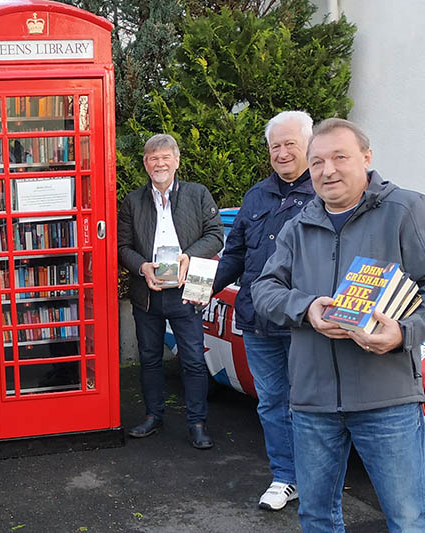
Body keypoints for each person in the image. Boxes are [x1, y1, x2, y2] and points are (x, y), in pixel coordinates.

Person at [253, 118, 425, 532]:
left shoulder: (406, 210)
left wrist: (404, 333)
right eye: (316, 162)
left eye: (339, 158)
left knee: (407, 519)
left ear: (366, 159)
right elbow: (264, 290)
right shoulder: (297, 226)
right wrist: (306, 307)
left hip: (386, 400)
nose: (327, 170)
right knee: (316, 517)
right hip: (313, 402)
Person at [212, 111, 316, 510]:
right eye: (276, 145)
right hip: (257, 321)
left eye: (291, 143)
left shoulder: (325, 194)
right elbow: (235, 252)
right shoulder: (256, 195)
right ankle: (286, 477)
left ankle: (317, 476)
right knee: (272, 403)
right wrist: (203, 289)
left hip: (305, 323)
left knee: (311, 404)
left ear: (309, 144)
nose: (283, 152)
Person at [117, 134, 224, 449]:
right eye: (153, 158)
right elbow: (122, 246)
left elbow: (215, 235)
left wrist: (189, 257)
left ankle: (197, 422)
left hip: (187, 286)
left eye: (165, 157)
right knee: (149, 358)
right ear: (146, 164)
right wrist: (142, 267)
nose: (159, 163)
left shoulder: (197, 194)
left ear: (177, 161)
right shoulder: (133, 201)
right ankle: (154, 415)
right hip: (147, 290)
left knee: (192, 358)